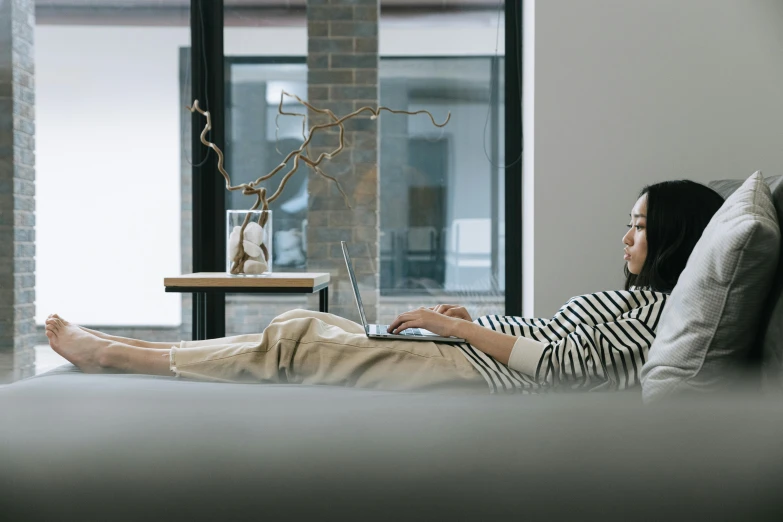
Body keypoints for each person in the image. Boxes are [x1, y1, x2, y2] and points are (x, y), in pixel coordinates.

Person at [45, 181, 725, 394]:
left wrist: (461, 330)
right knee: (306, 328)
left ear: (673, 236)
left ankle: (117, 357)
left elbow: (563, 367)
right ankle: (125, 344)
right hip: (474, 355)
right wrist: (476, 320)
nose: (625, 237)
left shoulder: (659, 315)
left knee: (300, 340)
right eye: (627, 223)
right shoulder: (642, 304)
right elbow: (549, 338)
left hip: (477, 375)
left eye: (638, 226)